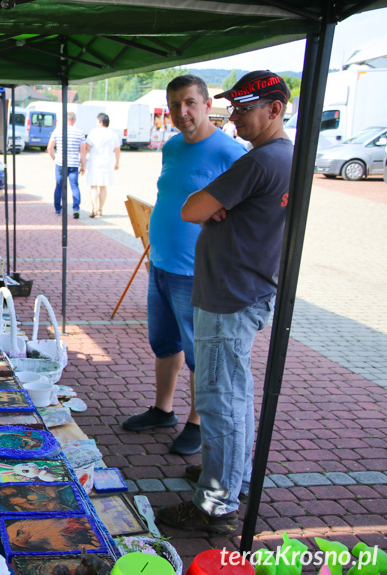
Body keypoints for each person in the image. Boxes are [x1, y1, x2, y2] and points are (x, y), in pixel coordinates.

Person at [157, 71, 293, 533]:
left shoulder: (259, 161)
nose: (234, 117)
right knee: (233, 397)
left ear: (274, 109)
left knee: (220, 402)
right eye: (231, 107)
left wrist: (208, 200)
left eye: (244, 108)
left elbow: (191, 208)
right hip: (238, 292)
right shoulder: (277, 156)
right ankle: (227, 476)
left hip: (229, 296)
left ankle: (215, 503)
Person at [121, 75, 246, 457]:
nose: (182, 112)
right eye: (175, 104)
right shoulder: (172, 146)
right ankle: (163, 409)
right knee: (164, 344)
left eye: (190, 102)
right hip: (160, 263)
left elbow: (242, 215)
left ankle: (196, 421)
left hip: (196, 272)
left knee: (197, 354)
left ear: (208, 104)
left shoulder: (230, 152)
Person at [47, 111, 86, 218]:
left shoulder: (58, 131)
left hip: (60, 162)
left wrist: (54, 157)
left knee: (59, 185)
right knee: (74, 186)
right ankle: (76, 208)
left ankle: (58, 209)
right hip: (73, 163)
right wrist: (83, 165)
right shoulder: (80, 133)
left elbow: (49, 147)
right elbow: (83, 151)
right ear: (74, 120)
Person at [83, 112, 121, 218]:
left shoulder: (94, 132)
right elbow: (117, 150)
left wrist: (83, 160)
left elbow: (87, 147)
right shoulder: (113, 134)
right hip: (107, 162)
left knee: (94, 186)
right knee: (103, 187)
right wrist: (117, 162)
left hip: (95, 162)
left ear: (100, 122)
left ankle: (94, 208)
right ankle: (100, 209)